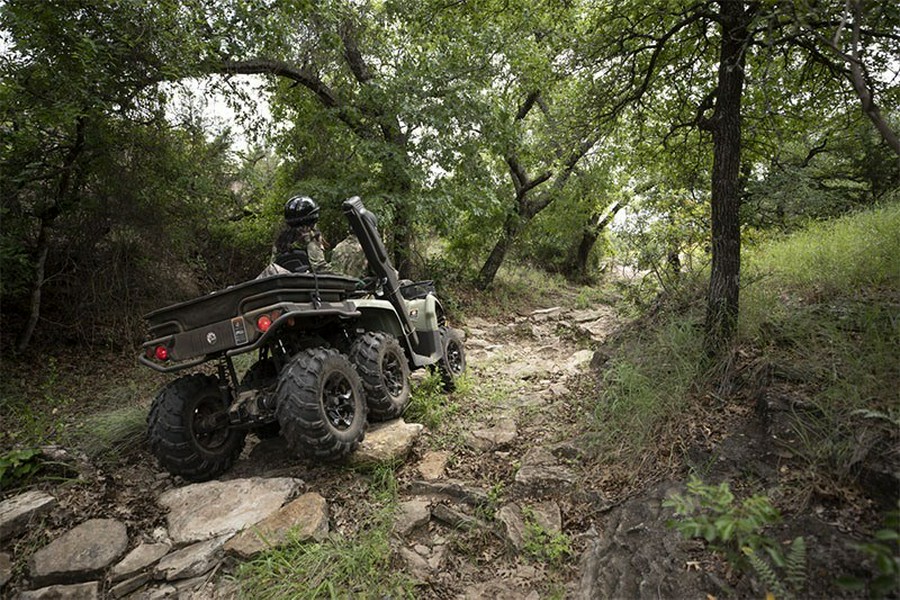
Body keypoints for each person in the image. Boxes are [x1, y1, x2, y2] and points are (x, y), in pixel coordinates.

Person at [273, 195, 330, 273]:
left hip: (284, 282)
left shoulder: (280, 242)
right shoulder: (312, 239)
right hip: (308, 283)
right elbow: (320, 268)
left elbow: (273, 267)